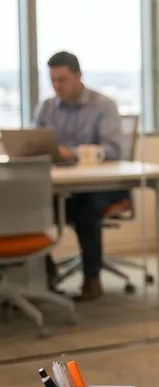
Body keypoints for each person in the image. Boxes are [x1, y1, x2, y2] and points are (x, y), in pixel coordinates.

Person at [35, 51, 129, 301]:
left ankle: (92, 278)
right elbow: (35, 143)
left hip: (103, 185)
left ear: (78, 76)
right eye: (52, 80)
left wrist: (73, 153)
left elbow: (114, 150)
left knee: (82, 205)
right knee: (30, 206)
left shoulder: (103, 105)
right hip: (60, 185)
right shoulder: (46, 107)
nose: (57, 86)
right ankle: (45, 274)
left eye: (62, 79)